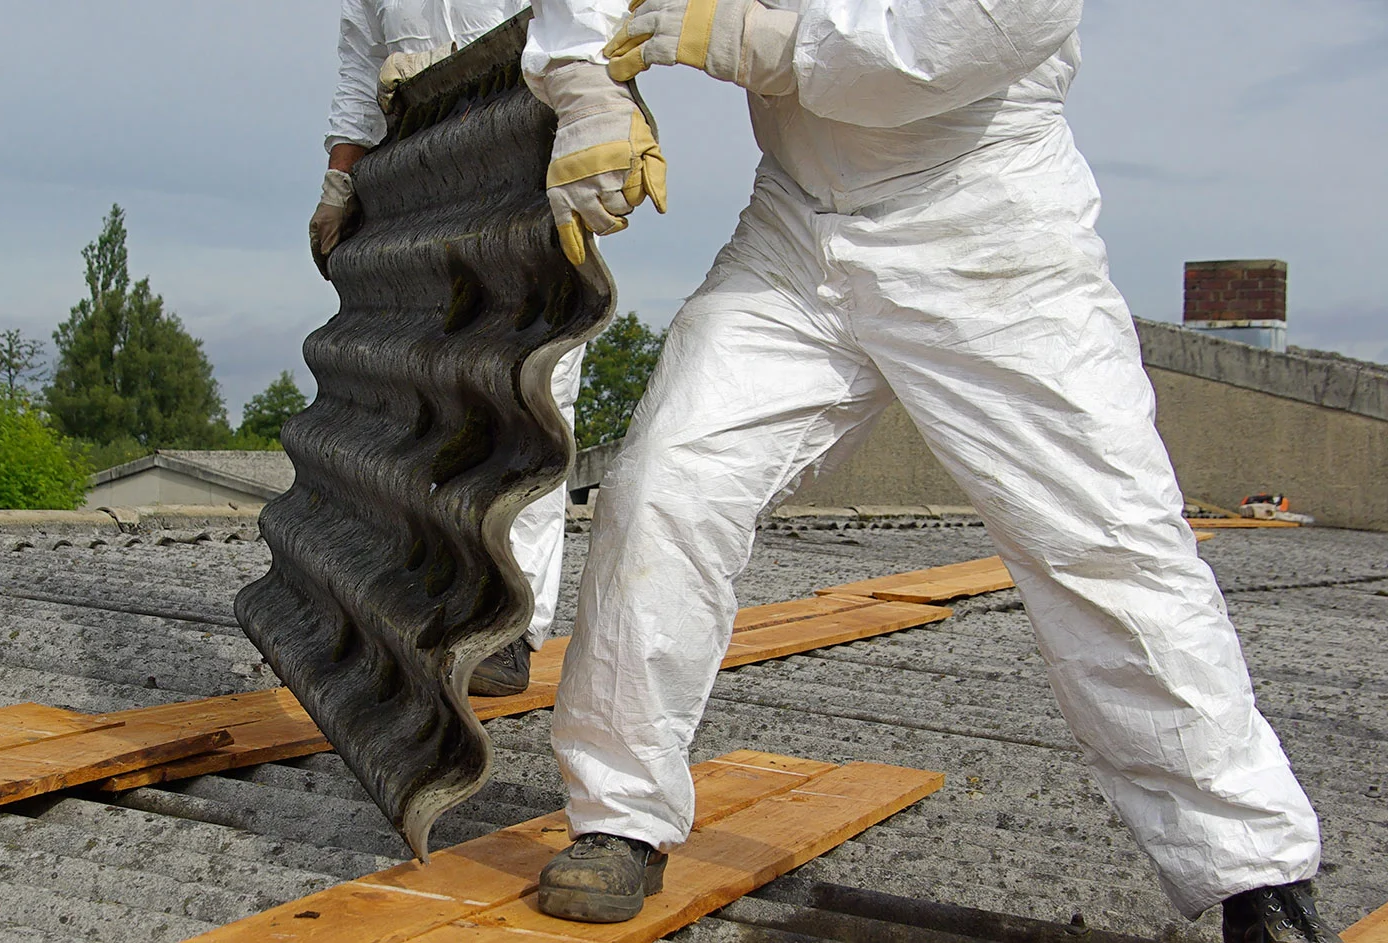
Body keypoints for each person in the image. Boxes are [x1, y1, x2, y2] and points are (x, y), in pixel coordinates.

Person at [521, 1, 1339, 938]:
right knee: (663, 486)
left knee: (1105, 542)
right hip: (794, 228)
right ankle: (619, 817)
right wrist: (588, 89)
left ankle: (1254, 874)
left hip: (986, 228)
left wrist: (741, 37)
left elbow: (946, 44)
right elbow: (587, 10)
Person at [313, 0, 585, 696]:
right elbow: (358, 64)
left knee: (531, 392)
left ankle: (510, 626)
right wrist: (343, 176)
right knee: (427, 391)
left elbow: (584, 22)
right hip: (425, 181)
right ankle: (431, 598)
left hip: (532, 163)